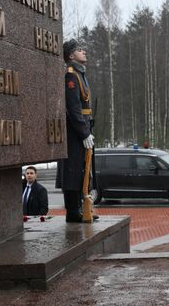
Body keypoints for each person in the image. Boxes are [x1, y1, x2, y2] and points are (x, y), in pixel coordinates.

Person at [56, 39, 97, 223]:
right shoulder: (71, 75)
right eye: (80, 50)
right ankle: (73, 211)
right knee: (73, 170)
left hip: (84, 125)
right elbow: (73, 108)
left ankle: (82, 207)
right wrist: (83, 132)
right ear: (71, 55)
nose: (84, 51)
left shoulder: (80, 74)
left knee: (84, 168)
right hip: (74, 131)